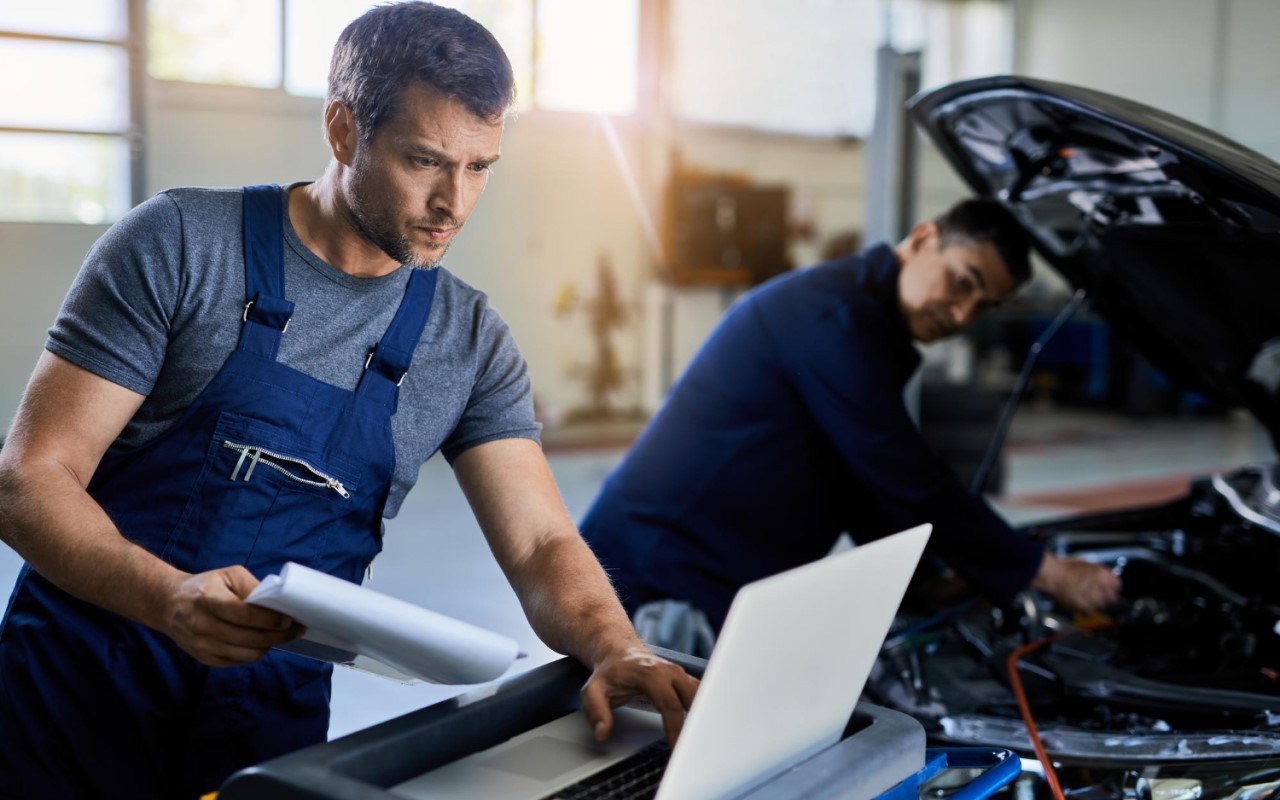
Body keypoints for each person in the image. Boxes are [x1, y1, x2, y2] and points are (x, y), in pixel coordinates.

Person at [0, 4, 696, 797]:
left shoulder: (465, 340)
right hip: (76, 699)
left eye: (480, 168)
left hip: (267, 732)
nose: (454, 204)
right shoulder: (182, 246)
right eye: (425, 161)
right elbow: (30, 479)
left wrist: (616, 644)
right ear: (341, 130)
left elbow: (539, 544)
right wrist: (164, 598)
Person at [580, 198, 1122, 653]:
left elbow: (857, 484)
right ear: (923, 238)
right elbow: (906, 477)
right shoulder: (833, 318)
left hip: (704, 575)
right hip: (648, 580)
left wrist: (929, 577)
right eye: (962, 282)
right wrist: (1044, 572)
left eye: (983, 306)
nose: (962, 315)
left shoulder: (870, 328)